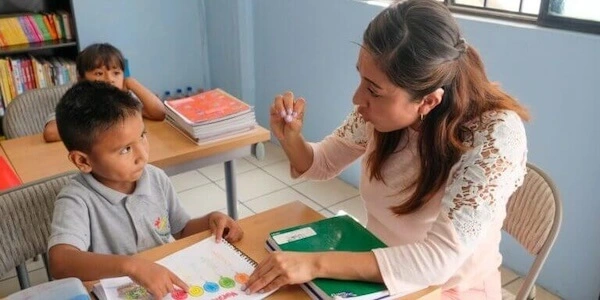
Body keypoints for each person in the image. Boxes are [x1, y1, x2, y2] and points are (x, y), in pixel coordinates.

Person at [243, 0, 529, 299]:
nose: (357, 98)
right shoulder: (382, 111)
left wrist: (315, 263)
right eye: (362, 80)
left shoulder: (495, 134)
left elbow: (438, 262)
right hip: (374, 270)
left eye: (373, 90)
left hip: (447, 289)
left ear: (428, 101)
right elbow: (323, 163)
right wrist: (291, 139)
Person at [47, 81, 243, 298]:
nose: (142, 155)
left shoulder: (155, 177)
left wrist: (210, 220)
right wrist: (132, 266)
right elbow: (60, 261)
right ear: (83, 160)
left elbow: (182, 229)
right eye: (126, 149)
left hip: (166, 282)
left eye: (142, 136)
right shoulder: (76, 199)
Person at [43, 43, 166, 142]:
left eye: (116, 73)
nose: (109, 79)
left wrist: (131, 82)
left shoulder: (125, 99)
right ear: (82, 79)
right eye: (99, 73)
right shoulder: (78, 102)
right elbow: (51, 133)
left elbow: (159, 113)